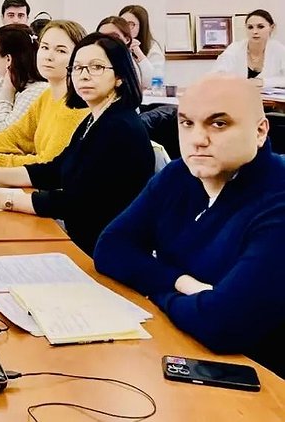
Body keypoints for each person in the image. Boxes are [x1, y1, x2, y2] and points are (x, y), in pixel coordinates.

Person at [94, 75, 285, 377]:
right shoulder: (179, 175)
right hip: (178, 346)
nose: (198, 139)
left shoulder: (277, 199)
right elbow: (110, 247)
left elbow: (223, 323)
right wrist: (181, 284)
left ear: (260, 131)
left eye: (218, 124)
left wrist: (156, 292)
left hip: (257, 376)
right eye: (186, 123)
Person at [0, 34, 155, 256]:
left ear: (119, 76)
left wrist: (3, 199)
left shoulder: (119, 127)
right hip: (84, 238)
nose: (84, 75)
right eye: (78, 68)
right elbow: (55, 169)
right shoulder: (97, 118)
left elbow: (76, 201)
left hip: (103, 251)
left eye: (96, 67)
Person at [0, 21, 89, 167]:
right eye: (45, 47)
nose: (48, 56)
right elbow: (16, 136)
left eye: (61, 51)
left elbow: (49, 165)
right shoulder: (47, 96)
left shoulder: (76, 105)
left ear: (78, 58)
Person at [213, 9, 285, 86]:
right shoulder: (234, 49)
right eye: (250, 27)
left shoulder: (279, 50)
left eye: (260, 27)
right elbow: (216, 77)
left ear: (272, 28)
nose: (255, 32)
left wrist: (263, 82)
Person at [96, 15, 152, 89]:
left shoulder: (130, 62)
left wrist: (138, 52)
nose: (107, 41)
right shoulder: (91, 61)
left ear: (127, 39)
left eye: (114, 36)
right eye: (102, 37)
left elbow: (150, 82)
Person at [119, 4, 164, 82]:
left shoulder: (152, 48)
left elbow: (155, 81)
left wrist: (139, 55)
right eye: (122, 23)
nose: (125, 28)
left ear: (142, 26)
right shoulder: (116, 44)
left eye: (131, 24)